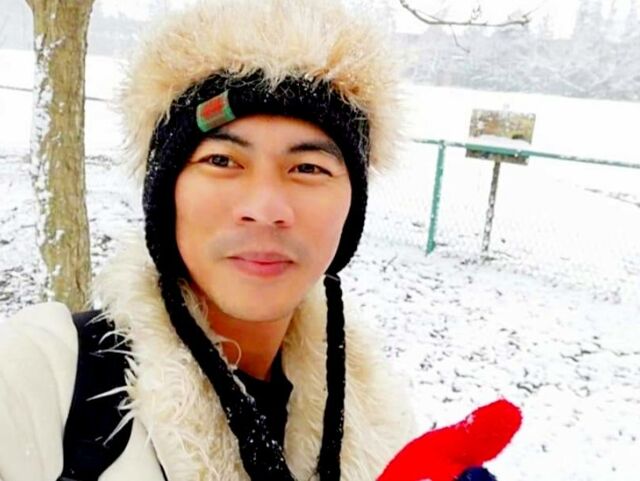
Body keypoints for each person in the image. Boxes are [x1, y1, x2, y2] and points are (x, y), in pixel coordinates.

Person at [0, 1, 520, 480]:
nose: (267, 208)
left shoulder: (378, 421)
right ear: (165, 193)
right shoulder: (45, 380)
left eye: (308, 167)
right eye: (222, 160)